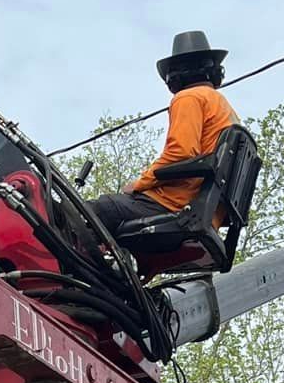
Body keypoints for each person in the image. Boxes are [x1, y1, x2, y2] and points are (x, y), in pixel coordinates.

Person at [91, 31, 239, 245]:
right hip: (208, 214)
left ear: (175, 75)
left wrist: (139, 184)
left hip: (179, 205)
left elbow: (181, 153)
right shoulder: (223, 108)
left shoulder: (189, 97)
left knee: (94, 210)